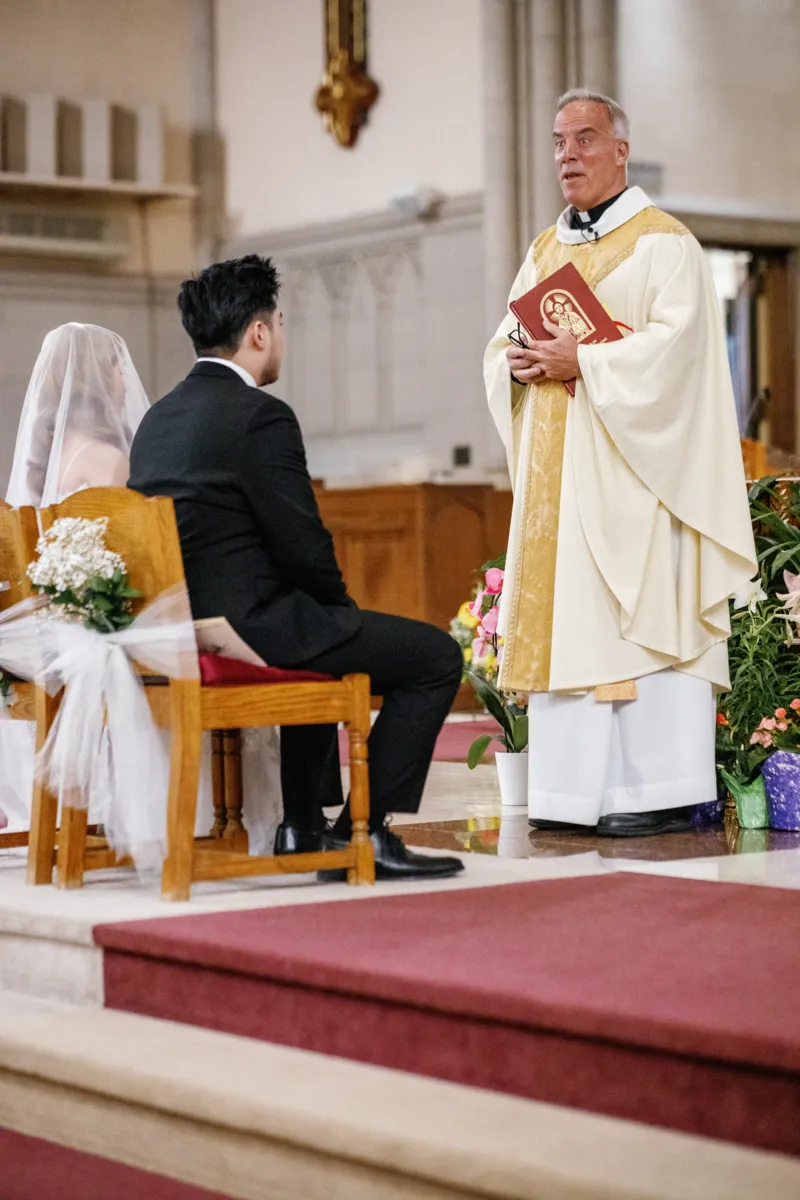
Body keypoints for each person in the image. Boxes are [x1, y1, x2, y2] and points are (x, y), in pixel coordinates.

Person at [128, 255, 464, 881]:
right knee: (436, 657)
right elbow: (303, 543)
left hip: (182, 624)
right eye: (280, 322)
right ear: (259, 333)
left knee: (316, 625)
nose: (281, 335)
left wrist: (326, 615)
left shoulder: (157, 418)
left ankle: (302, 826)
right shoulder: (260, 415)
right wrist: (340, 611)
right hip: (251, 629)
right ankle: (364, 832)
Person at [484, 89, 757, 837]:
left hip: (637, 484)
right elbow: (503, 341)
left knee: (638, 627)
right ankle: (571, 795)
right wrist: (513, 363)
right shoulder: (544, 251)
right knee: (572, 625)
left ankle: (650, 793)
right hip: (559, 489)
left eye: (584, 139)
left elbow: (682, 355)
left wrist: (589, 360)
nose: (566, 155)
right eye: (557, 141)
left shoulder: (663, 243)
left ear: (620, 150)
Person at [1, 323, 150, 830]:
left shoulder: (43, 460)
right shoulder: (109, 460)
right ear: (99, 376)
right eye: (117, 367)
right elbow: (130, 562)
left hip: (41, 631)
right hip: (86, 631)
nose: (125, 380)